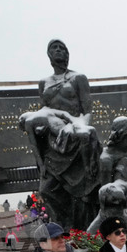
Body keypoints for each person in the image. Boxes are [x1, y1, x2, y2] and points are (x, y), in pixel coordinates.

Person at [18, 39, 102, 230]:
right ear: (49, 55)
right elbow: (45, 111)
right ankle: (63, 229)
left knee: (85, 191)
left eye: (62, 48)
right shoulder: (44, 83)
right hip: (53, 143)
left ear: (67, 54)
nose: (58, 50)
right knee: (47, 190)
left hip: (75, 134)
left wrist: (80, 128)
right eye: (54, 48)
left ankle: (85, 229)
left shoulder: (78, 78)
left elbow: (87, 110)